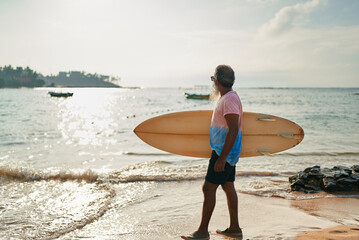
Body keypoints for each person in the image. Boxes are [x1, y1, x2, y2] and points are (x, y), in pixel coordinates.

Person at [181, 65, 243, 240]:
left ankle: (202, 232)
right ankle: (234, 228)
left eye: (212, 79)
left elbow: (232, 130)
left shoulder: (229, 100)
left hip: (223, 153)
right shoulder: (228, 97)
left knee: (208, 189)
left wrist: (221, 158)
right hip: (227, 153)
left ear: (216, 80)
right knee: (228, 186)